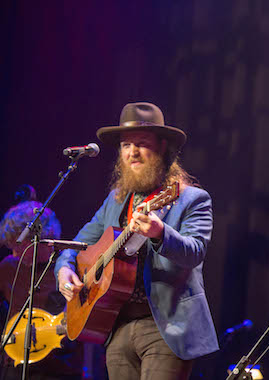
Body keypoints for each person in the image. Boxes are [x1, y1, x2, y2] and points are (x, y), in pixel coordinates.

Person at [55, 102, 219, 379]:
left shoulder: (191, 198)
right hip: (116, 326)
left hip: (166, 326)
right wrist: (64, 268)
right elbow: (77, 244)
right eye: (125, 145)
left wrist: (160, 233)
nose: (132, 152)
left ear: (163, 148)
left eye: (141, 143)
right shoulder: (116, 200)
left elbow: (195, 252)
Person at [0, 186, 83, 380]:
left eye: (18, 246)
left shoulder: (69, 267)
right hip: (15, 366)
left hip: (58, 368)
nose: (14, 253)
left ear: (39, 240)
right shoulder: (8, 267)